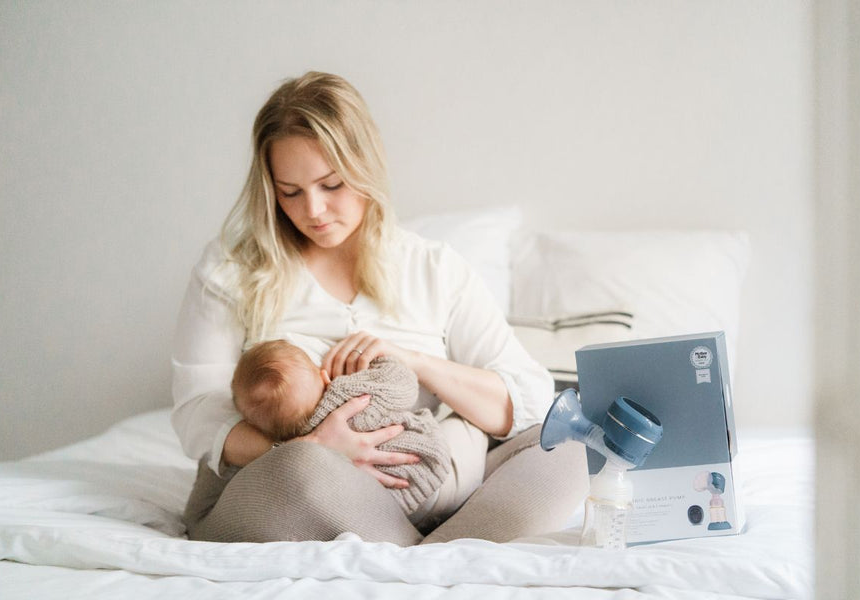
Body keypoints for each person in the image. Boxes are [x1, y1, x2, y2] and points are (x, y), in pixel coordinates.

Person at [171, 71, 588, 546]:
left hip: (427, 483)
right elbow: (196, 414)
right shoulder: (230, 270)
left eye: (332, 184)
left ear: (365, 168)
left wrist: (416, 363)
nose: (313, 210)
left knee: (569, 445)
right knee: (302, 471)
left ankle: (420, 555)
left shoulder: (432, 268)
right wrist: (312, 446)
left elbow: (528, 401)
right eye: (290, 191)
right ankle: (437, 558)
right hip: (288, 483)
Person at [230, 338, 479, 528]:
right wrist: (383, 359)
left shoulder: (286, 443)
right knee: (473, 429)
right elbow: (404, 386)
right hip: (424, 477)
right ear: (324, 376)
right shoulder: (350, 393)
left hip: (378, 510)